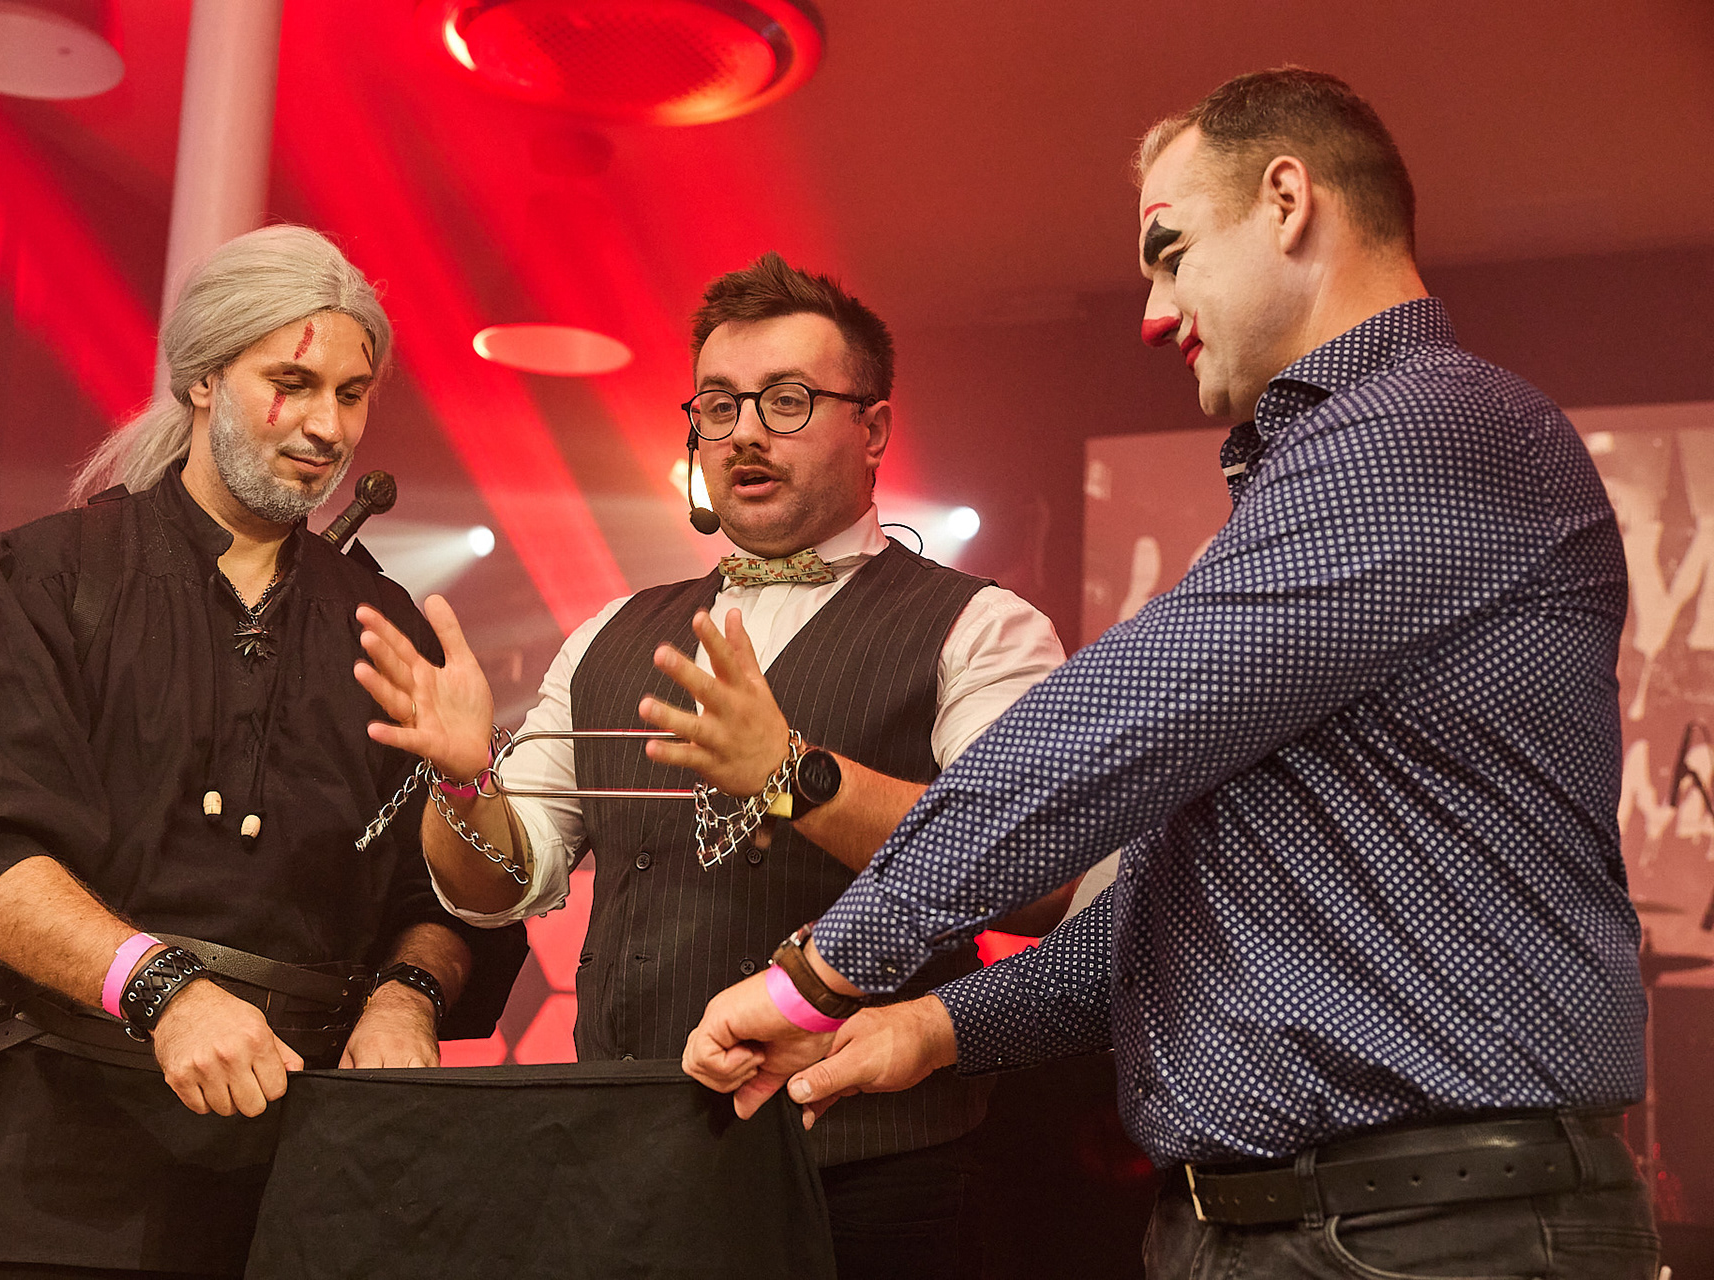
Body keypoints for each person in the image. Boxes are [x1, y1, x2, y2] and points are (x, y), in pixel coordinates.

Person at [684, 68, 1660, 1278]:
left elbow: (1110, 728)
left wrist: (816, 975)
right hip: (1299, 1228)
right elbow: (1177, 910)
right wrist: (929, 1025)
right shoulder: (1342, 474)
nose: (1151, 312)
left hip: (1438, 1232)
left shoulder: (1433, 428)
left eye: (1170, 252)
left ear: (1287, 200)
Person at [352, 251, 1068, 1278]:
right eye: (721, 405)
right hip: (630, 1161)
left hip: (870, 1168)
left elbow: (1037, 880)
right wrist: (464, 784)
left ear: (873, 429)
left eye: (788, 400)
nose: (745, 433)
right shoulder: (609, 635)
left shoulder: (982, 627)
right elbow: (500, 884)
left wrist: (792, 775)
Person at [0, 224, 525, 1279]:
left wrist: (410, 991)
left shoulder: (387, 628)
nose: (327, 426)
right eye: (291, 382)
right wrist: (162, 989)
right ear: (202, 378)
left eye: (352, 393)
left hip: (306, 1194)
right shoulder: (39, 580)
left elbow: (446, 901)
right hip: (56, 1182)